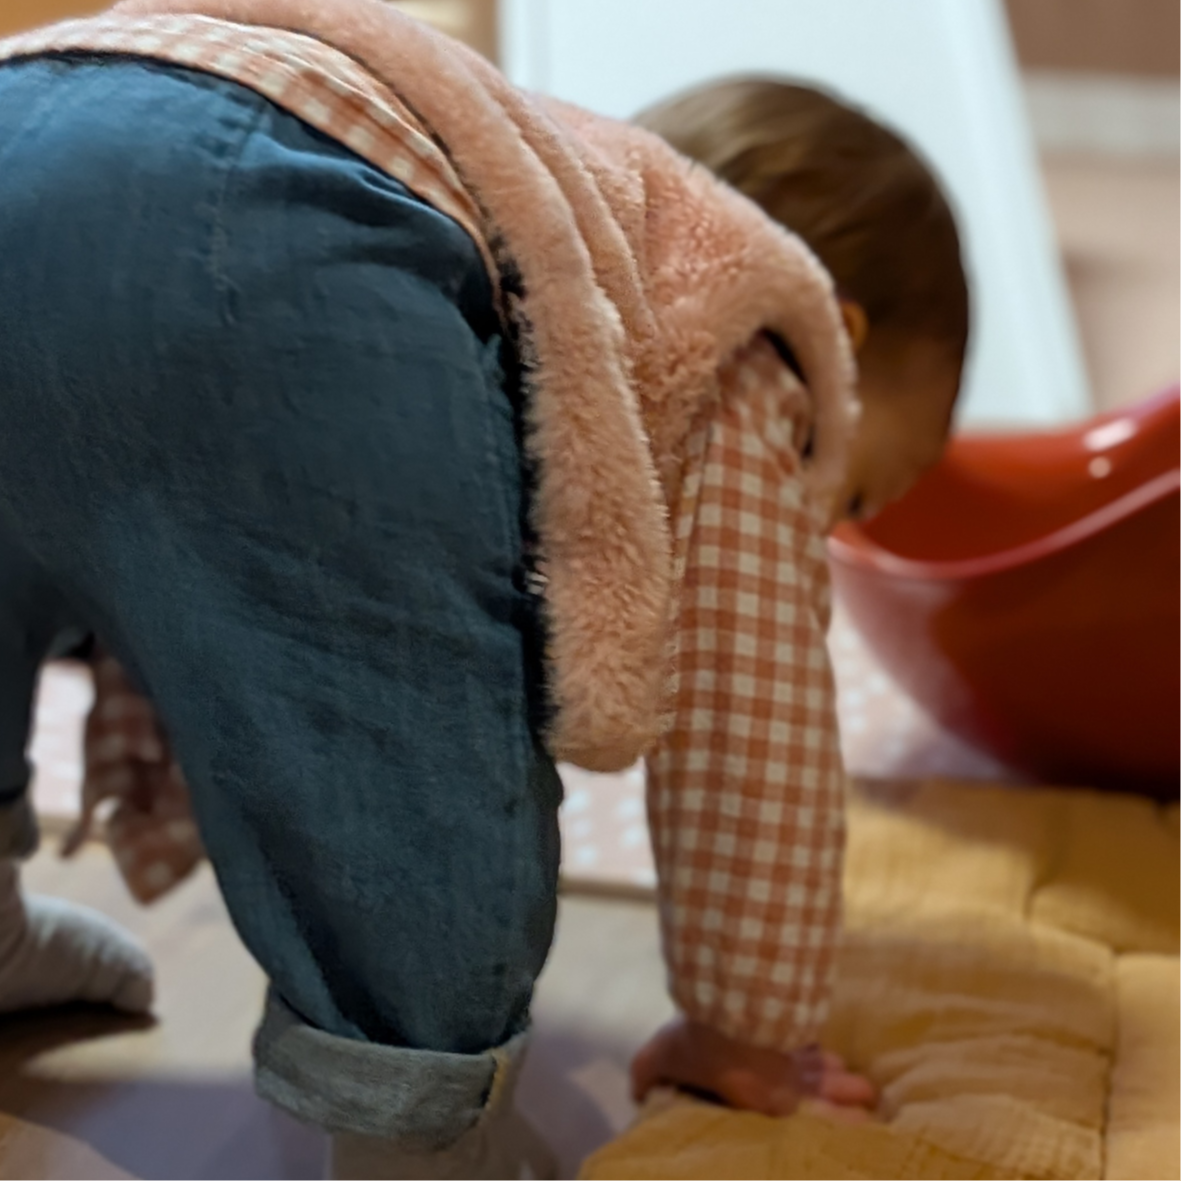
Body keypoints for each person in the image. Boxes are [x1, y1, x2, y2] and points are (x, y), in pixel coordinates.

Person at [0, 3, 967, 1177]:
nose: (829, 528)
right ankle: (411, 1128)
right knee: (399, 728)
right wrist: (746, 1028)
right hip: (263, 229)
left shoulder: (542, 212)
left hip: (33, 100)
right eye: (860, 493)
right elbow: (746, 729)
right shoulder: (747, 332)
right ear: (843, 344)